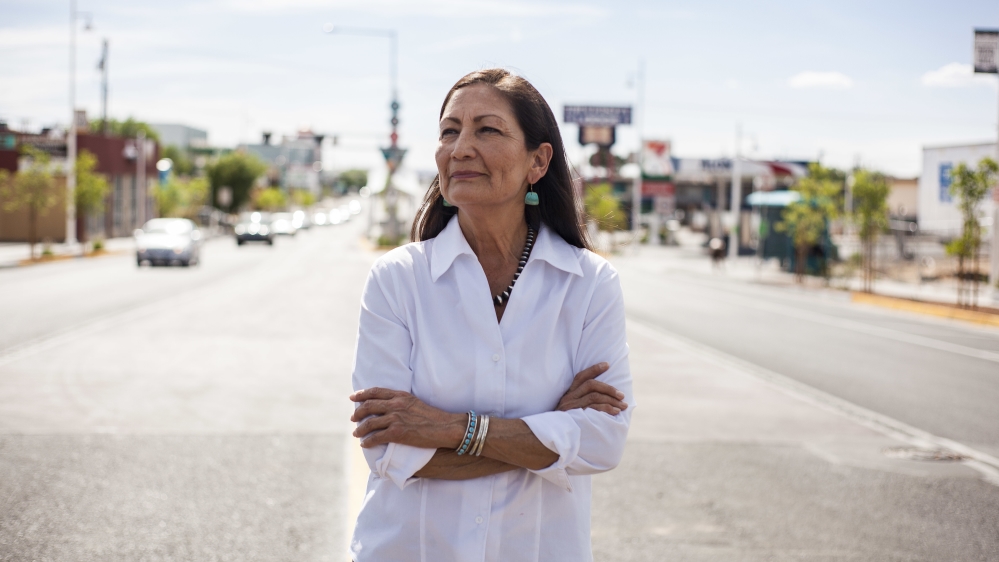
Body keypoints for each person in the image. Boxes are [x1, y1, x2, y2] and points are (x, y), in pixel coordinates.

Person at [349, 68, 633, 561]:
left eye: (487, 129)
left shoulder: (589, 286)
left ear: (538, 161)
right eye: (449, 131)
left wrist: (447, 428)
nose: (460, 148)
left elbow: (602, 442)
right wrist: (547, 433)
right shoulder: (398, 280)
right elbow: (387, 450)